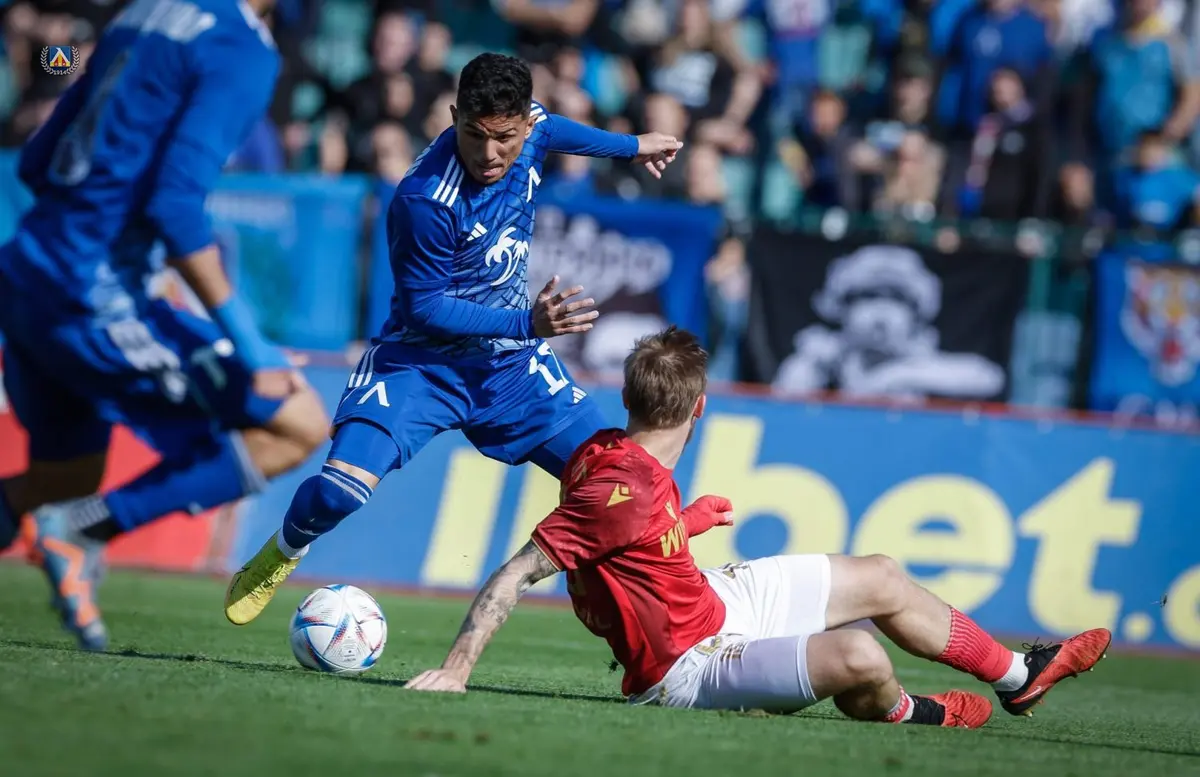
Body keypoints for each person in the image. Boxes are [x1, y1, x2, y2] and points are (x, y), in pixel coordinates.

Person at [405, 326, 1112, 726]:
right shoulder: (625, 488)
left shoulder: (609, 452)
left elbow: (623, 542)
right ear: (701, 407)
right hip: (683, 666)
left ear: (626, 397)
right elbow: (517, 572)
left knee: (882, 575)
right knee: (861, 656)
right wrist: (456, 670)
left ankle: (1020, 675)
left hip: (709, 599)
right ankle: (913, 714)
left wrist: (687, 522)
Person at [223, 53, 683, 625]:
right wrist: (527, 325)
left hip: (511, 371)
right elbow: (426, 309)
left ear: (525, 125)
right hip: (420, 366)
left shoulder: (536, 127)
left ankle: (668, 621)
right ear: (453, 115)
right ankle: (286, 548)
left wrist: (631, 147)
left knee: (629, 484)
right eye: (474, 134)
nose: (489, 153)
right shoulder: (424, 201)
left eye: (504, 138)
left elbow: (556, 128)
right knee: (340, 492)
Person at [0, 0, 330, 652]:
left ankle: (75, 519)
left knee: (59, 479)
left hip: (25, 273)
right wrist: (253, 347)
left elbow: (36, 161)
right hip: (94, 296)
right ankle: (87, 529)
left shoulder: (139, 13)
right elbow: (175, 208)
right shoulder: (241, 48)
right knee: (297, 423)